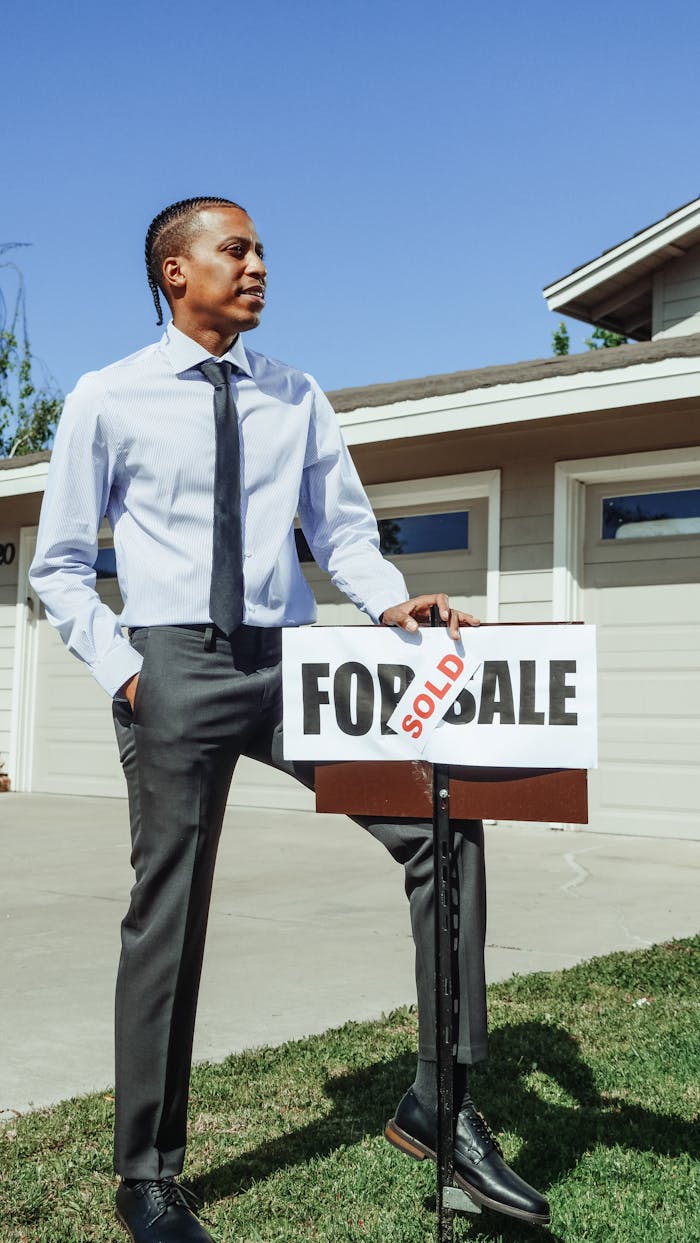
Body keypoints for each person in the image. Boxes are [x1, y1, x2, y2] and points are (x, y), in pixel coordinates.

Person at [29, 196, 549, 1242]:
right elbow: (62, 565)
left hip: (295, 666)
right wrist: (128, 674)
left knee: (442, 820)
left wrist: (391, 604)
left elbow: (342, 532)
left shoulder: (296, 393)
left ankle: (439, 1103)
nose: (258, 264)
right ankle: (146, 1176)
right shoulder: (107, 397)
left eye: (261, 249)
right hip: (173, 665)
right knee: (169, 911)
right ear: (176, 272)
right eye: (236, 250)